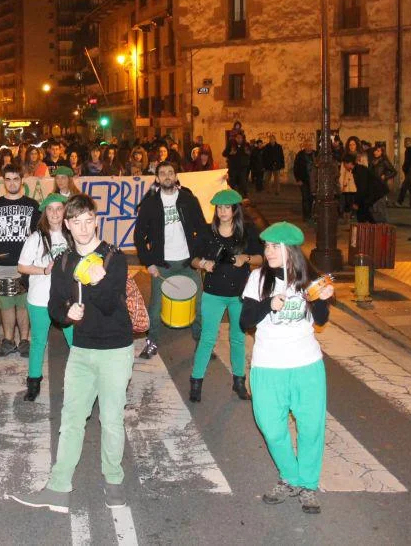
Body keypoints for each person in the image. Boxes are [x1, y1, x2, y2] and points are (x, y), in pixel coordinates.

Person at [10, 194, 134, 513]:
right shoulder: (64, 262)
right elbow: (54, 305)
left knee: (111, 419)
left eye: (88, 221)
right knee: (71, 419)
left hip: (115, 350)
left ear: (96, 221)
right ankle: (58, 488)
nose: (83, 228)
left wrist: (96, 279)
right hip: (81, 350)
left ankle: (114, 480)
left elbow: (110, 305)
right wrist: (67, 314)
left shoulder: (113, 258)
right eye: (76, 222)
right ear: (67, 224)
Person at [240, 221, 333, 515]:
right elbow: (245, 321)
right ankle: (290, 476)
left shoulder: (310, 279)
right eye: (266, 246)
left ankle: (307, 484)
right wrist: (268, 304)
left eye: (274, 247)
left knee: (311, 427)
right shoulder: (257, 278)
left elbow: (320, 320)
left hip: (306, 364)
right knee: (270, 426)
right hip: (268, 365)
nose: (267, 252)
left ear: (290, 250)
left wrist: (323, 300)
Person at [190, 189, 263, 402]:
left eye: (227, 207)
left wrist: (245, 258)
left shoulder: (247, 231)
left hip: (240, 294)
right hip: (213, 292)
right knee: (207, 338)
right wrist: (203, 263)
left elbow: (260, 258)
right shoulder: (207, 231)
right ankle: (196, 382)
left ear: (235, 210)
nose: (222, 211)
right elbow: (193, 259)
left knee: (238, 339)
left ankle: (239, 382)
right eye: (219, 208)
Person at [134, 161, 212, 359]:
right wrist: (149, 262)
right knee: (156, 308)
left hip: (188, 264)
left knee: (199, 305)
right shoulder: (150, 204)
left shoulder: (188, 200)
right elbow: (139, 236)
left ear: (176, 176)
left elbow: (202, 229)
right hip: (162, 265)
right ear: (157, 178)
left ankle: (201, 342)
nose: (167, 176)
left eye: (171, 172)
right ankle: (152, 342)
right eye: (163, 173)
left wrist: (197, 257)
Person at [17, 193, 72, 401]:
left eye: (59, 208)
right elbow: (22, 266)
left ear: (65, 211)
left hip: (67, 299)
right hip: (40, 299)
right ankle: (33, 382)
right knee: (39, 342)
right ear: (45, 213)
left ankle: (79, 381)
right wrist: (44, 270)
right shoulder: (36, 238)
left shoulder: (73, 235)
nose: (55, 213)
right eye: (50, 209)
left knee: (75, 342)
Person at [0, 165, 41, 357]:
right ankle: (8, 341)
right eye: (8, 179)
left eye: (16, 179)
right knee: (6, 306)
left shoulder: (33, 205)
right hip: (1, 264)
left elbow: (41, 233)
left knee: (23, 305)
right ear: (4, 181)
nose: (12, 183)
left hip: (25, 264)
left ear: (21, 180)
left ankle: (24, 341)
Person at [342, 154, 388, 223]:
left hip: (377, 194)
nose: (344, 166)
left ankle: (371, 226)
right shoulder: (357, 170)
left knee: (377, 217)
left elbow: (362, 188)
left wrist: (356, 202)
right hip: (372, 194)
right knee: (363, 213)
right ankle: (365, 226)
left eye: (344, 164)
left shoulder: (359, 170)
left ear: (350, 163)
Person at [293, 141, 316, 221]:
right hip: (303, 180)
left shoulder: (315, 154)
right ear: (304, 146)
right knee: (305, 197)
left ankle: (310, 214)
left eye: (310, 145)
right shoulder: (300, 155)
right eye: (307, 145)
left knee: (312, 198)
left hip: (313, 181)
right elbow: (296, 168)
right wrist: (298, 179)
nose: (309, 146)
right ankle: (306, 216)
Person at [397, 137, 411, 205]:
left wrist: (406, 167)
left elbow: (410, 161)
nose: (404, 144)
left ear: (409, 142)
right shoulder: (409, 150)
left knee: (404, 187)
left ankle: (399, 201)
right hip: (409, 172)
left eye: (405, 142)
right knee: (410, 188)